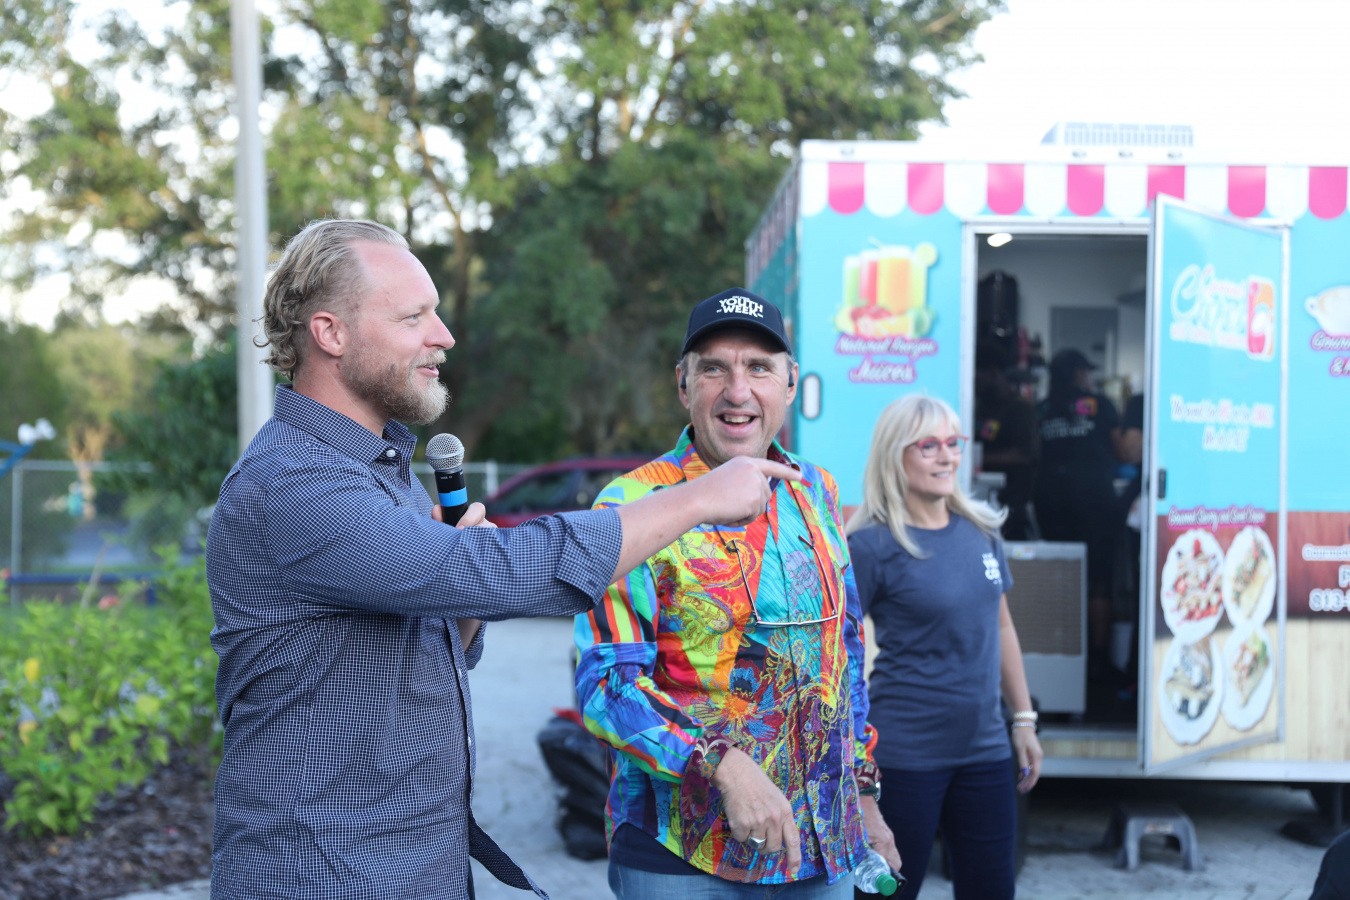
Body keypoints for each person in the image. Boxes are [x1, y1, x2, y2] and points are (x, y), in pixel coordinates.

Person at [206, 222, 797, 900]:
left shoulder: (382, 473)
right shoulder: (295, 484)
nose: (444, 335)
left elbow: (423, 656)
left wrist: (458, 611)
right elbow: (512, 570)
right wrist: (698, 498)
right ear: (330, 333)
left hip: (420, 868)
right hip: (322, 875)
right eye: (413, 317)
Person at [573, 288, 900, 899]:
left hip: (820, 852)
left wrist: (862, 794)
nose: (738, 390)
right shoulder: (631, 506)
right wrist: (719, 761)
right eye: (714, 369)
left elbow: (845, 655)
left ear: (790, 384)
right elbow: (605, 687)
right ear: (683, 385)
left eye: (758, 367)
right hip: (685, 856)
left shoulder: (816, 490)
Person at [846, 394, 1043, 900]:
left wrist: (1023, 720)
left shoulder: (981, 531)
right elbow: (836, 649)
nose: (947, 456)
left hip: (985, 750)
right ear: (895, 455)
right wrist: (848, 750)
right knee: (889, 894)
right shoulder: (870, 545)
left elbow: (1002, 627)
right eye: (929, 445)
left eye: (953, 443)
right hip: (904, 757)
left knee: (992, 891)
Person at [1033, 347, 1126, 683]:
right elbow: (1123, 450)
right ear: (1078, 374)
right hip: (1094, 499)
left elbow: (1034, 453)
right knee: (1098, 579)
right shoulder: (1099, 404)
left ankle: (1059, 658)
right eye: (1087, 371)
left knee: (1060, 575)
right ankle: (1097, 664)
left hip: (1050, 499)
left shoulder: (1042, 408)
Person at [973, 339, 1038, 540]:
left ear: (993, 373)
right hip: (979, 499)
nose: (973, 382)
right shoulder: (980, 407)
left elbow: (1025, 455)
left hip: (1011, 504)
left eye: (977, 375)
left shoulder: (1019, 409)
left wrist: (976, 460)